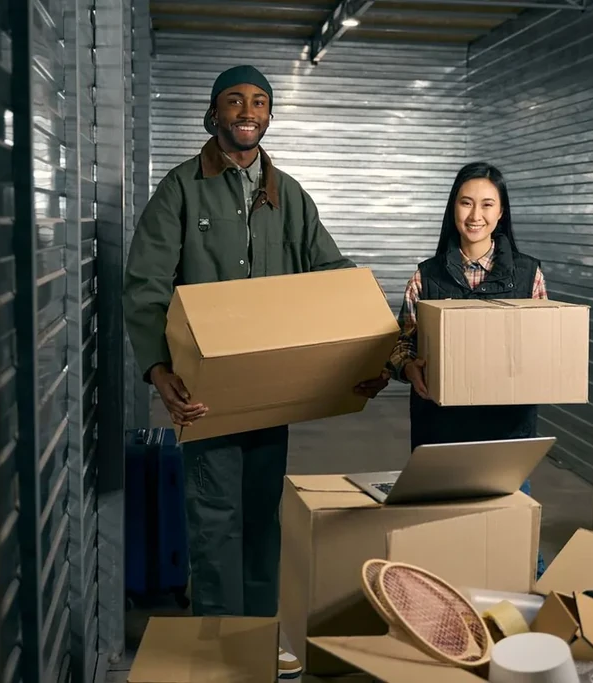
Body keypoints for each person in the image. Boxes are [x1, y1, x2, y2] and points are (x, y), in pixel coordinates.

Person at [122, 65, 389, 680]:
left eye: (260, 101)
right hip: (207, 394)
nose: (249, 110)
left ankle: (260, 637)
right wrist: (158, 371)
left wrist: (378, 330)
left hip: (272, 393)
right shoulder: (180, 190)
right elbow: (144, 286)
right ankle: (222, 647)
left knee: (261, 516)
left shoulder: (288, 194)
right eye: (235, 100)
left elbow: (329, 270)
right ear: (213, 113)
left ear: (269, 116)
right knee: (214, 521)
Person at [387, 161, 549, 576]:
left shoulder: (528, 275)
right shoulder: (426, 276)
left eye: (487, 205)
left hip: (506, 429)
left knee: (512, 539)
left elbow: (545, 343)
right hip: (441, 428)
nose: (475, 216)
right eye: (465, 203)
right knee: (438, 541)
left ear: (500, 213)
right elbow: (401, 342)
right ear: (453, 209)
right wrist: (408, 367)